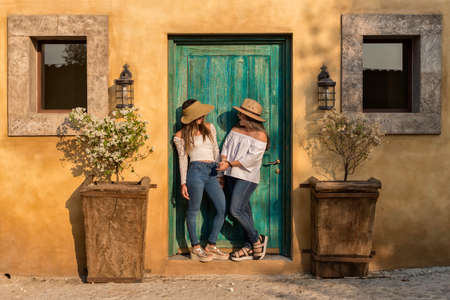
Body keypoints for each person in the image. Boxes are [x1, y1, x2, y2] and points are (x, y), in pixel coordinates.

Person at [173, 99, 229, 262]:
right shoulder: (180, 136)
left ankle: (211, 245)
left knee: (222, 207)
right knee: (193, 210)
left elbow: (215, 150)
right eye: (198, 115)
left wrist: (220, 176)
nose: (202, 116)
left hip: (212, 171)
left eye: (202, 114)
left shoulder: (209, 128)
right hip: (195, 172)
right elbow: (183, 160)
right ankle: (196, 248)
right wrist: (183, 183)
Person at [217, 98, 269, 261]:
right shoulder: (236, 129)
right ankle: (249, 246)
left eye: (242, 115)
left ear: (250, 119)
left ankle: (256, 239)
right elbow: (225, 147)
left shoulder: (260, 135)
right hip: (230, 175)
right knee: (244, 211)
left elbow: (252, 160)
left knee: (235, 211)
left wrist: (229, 163)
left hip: (247, 177)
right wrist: (224, 165)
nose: (239, 116)